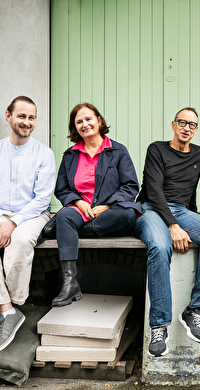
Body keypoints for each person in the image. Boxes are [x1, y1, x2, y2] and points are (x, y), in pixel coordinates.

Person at [134, 107, 200, 357]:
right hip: (151, 208)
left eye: (193, 125)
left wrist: (193, 220)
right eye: (183, 122)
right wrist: (173, 226)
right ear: (173, 125)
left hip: (181, 211)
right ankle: (159, 326)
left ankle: (196, 308)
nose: (187, 128)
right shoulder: (157, 149)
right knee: (160, 246)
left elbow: (190, 189)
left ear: (196, 130)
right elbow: (153, 190)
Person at [0, 96, 56, 353]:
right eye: (21, 116)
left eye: (31, 118)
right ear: (8, 116)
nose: (27, 122)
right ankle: (9, 311)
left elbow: (42, 199)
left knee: (19, 241)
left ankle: (1, 308)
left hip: (32, 215)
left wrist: (14, 223)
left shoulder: (44, 153)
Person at [51, 103, 142, 307]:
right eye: (79, 122)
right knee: (66, 216)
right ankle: (70, 283)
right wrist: (78, 202)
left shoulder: (118, 151)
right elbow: (62, 188)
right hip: (81, 210)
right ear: (75, 128)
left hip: (110, 212)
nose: (85, 124)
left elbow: (130, 186)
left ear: (99, 120)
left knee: (127, 215)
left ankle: (69, 232)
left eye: (88, 119)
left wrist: (107, 206)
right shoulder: (70, 155)